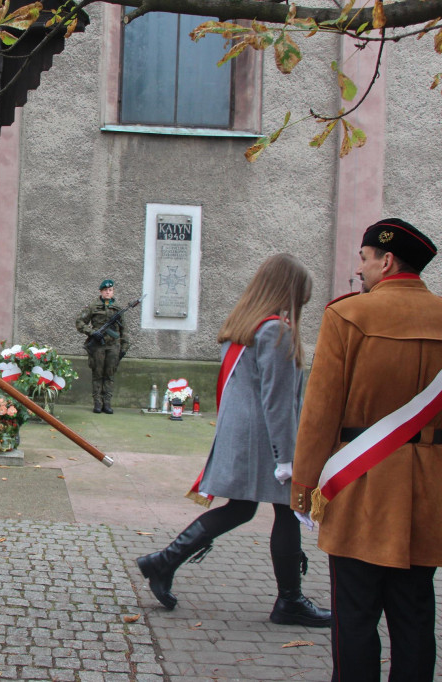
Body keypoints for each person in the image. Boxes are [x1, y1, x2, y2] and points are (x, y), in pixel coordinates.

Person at [136, 253, 331, 627]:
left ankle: (163, 562)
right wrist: (287, 458)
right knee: (285, 510)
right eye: (300, 299)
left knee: (242, 509)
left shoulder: (246, 326)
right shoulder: (275, 331)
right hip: (264, 441)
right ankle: (289, 601)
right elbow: (276, 401)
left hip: (242, 436)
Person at [291, 219, 441, 681]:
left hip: (362, 486)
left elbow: (319, 415)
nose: (360, 269)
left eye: (363, 258)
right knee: (415, 612)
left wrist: (303, 488)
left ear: (387, 260)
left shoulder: (347, 316)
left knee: (355, 615)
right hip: (429, 489)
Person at [75, 278, 130, 413]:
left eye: (110, 290)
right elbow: (80, 322)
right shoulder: (93, 306)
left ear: (113, 291)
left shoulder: (118, 308)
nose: (107, 292)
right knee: (98, 374)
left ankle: (107, 403)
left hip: (113, 346)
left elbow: (124, 330)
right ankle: (97, 403)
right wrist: (93, 333)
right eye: (105, 290)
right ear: (101, 291)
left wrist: (124, 347)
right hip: (98, 346)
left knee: (109, 374)